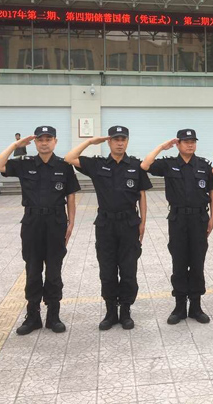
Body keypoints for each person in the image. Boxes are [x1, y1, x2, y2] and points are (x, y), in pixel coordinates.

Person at [0, 126, 80, 335]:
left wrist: (71, 222)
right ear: (35, 142)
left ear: (55, 141)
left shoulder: (64, 166)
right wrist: (16, 145)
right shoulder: (25, 164)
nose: (44, 143)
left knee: (54, 270)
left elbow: (71, 195)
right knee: (32, 269)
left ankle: (53, 316)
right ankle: (33, 316)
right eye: (40, 139)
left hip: (56, 222)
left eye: (48, 139)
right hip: (32, 222)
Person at [65, 126, 151, 330]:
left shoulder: (136, 165)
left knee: (128, 269)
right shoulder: (98, 165)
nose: (120, 143)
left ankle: (126, 311)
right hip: (105, 225)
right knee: (107, 269)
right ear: (109, 142)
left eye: (123, 139)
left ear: (127, 142)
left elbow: (142, 195)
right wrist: (90, 142)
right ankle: (111, 311)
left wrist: (143, 223)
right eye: (116, 139)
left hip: (129, 223)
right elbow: (69, 158)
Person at [141, 129, 213, 325]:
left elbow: (212, 191)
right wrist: (161, 147)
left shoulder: (204, 165)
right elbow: (145, 165)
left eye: (193, 141)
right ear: (178, 144)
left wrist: (212, 218)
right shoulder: (168, 164)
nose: (190, 144)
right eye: (186, 141)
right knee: (179, 262)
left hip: (199, 218)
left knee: (198, 262)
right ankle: (180, 306)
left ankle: (196, 306)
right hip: (178, 219)